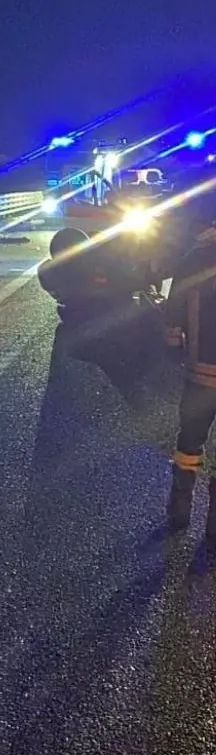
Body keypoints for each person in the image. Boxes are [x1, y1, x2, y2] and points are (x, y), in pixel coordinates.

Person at [161, 206, 216, 534]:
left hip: (200, 375)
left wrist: (173, 348)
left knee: (189, 443)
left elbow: (173, 313)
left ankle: (179, 508)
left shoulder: (194, 258)